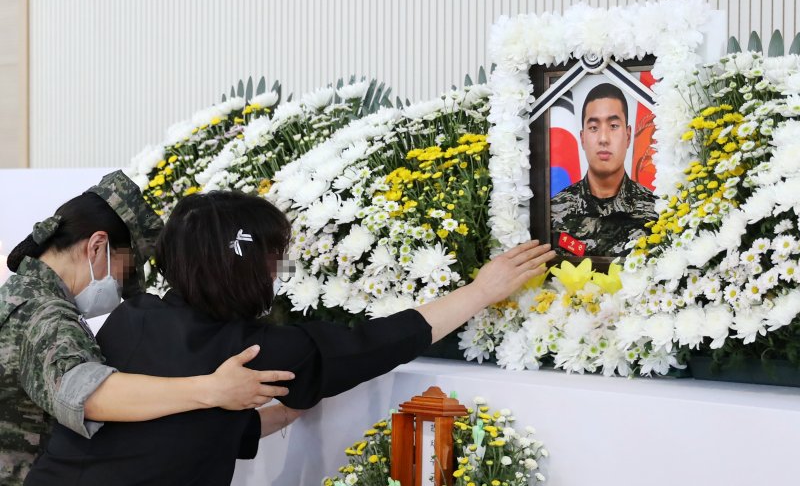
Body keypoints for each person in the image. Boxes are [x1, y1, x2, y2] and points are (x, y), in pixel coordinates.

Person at [26, 190, 556, 486]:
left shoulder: (132, 316)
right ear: (248, 268)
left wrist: (291, 403)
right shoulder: (260, 352)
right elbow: (382, 341)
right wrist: (482, 290)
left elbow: (170, 433)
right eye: (274, 260)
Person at [0, 171, 293, 485]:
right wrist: (213, 389)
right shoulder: (43, 313)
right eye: (125, 271)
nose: (122, 287)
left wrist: (283, 415)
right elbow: (87, 396)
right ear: (97, 247)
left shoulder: (24, 296)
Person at [550, 82, 657, 256]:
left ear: (628, 135)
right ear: (583, 138)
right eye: (593, 128)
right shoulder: (553, 211)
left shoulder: (656, 211)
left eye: (613, 126)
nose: (603, 139)